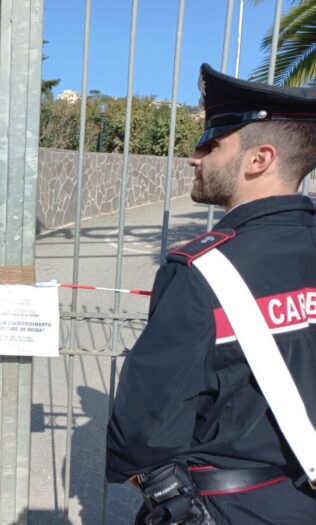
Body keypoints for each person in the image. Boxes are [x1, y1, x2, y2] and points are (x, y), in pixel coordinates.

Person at [106, 63, 316, 524]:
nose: (194, 157)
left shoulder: (203, 270)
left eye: (212, 143)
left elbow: (142, 431)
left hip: (230, 506)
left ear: (258, 160)